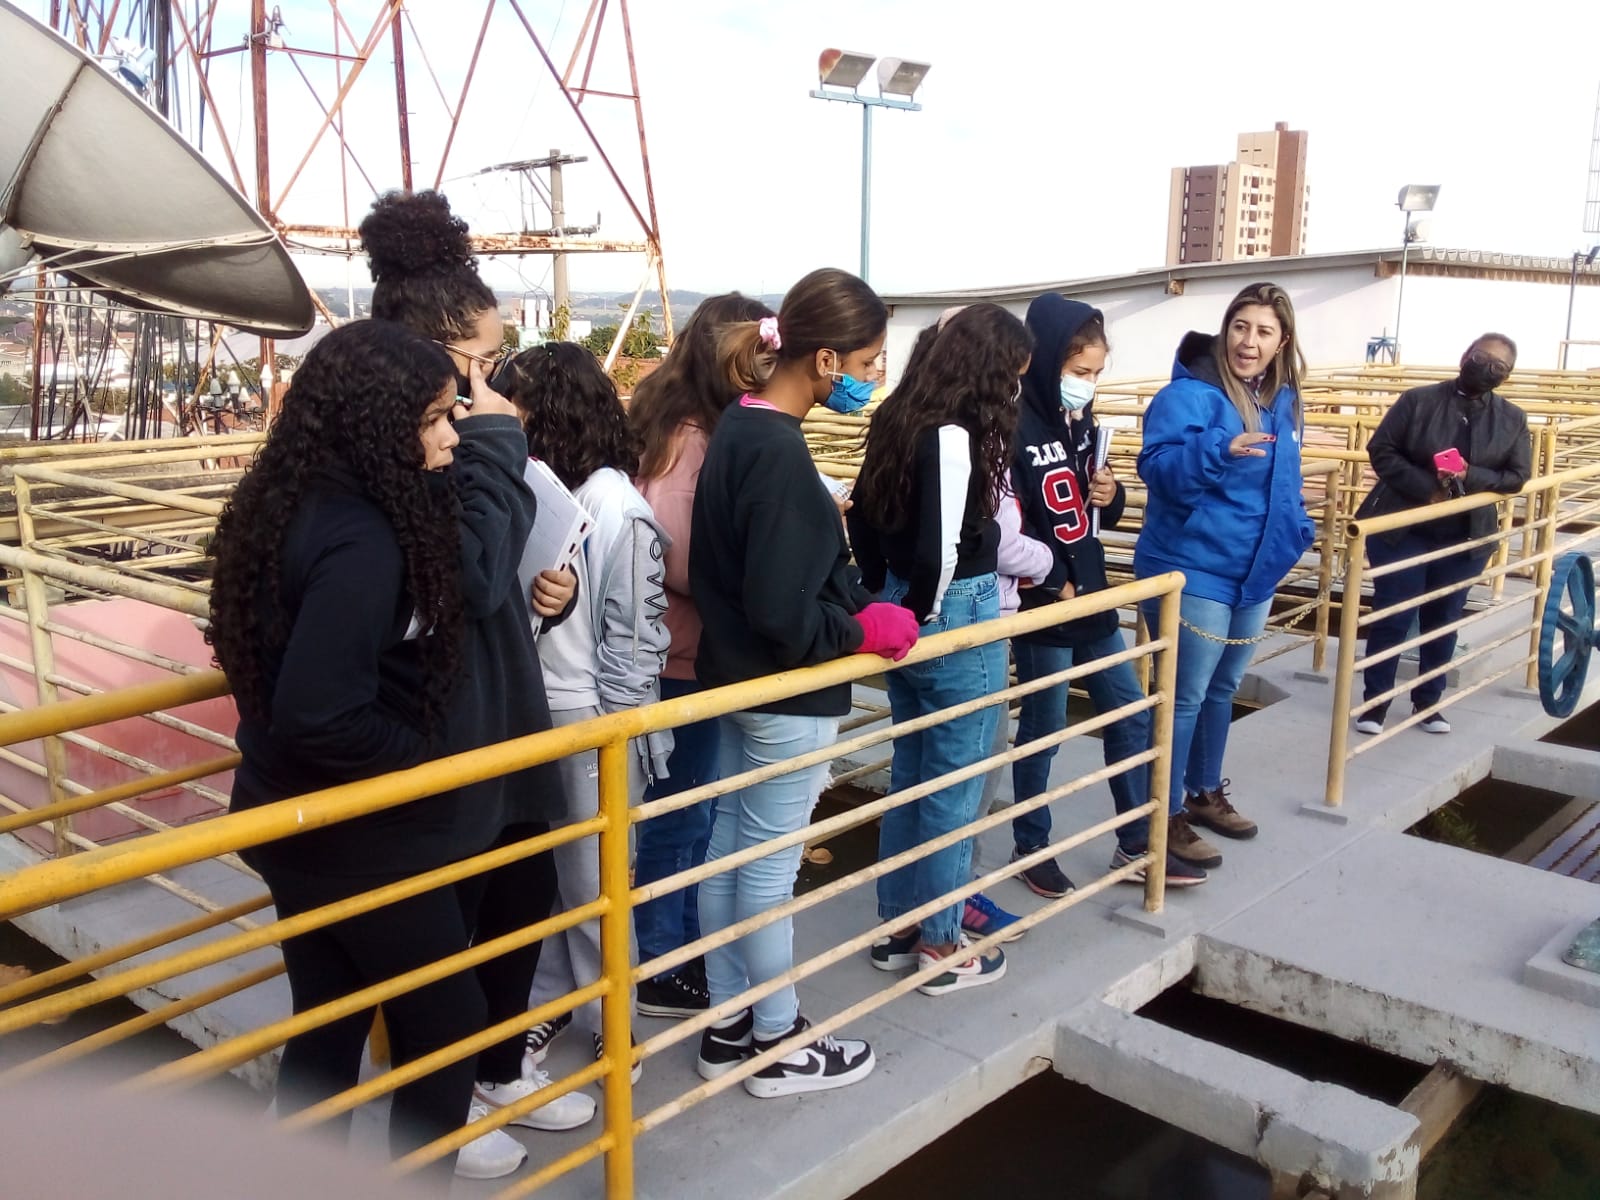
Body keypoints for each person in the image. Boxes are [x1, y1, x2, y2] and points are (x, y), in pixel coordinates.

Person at [206, 320, 531, 1182]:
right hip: (360, 833)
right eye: (433, 420)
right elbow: (320, 712)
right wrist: (427, 759)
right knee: (448, 1020)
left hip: (288, 816)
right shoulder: (362, 539)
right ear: (377, 425)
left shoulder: (294, 496)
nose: (451, 437)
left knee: (331, 1013)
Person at [359, 190, 588, 1139]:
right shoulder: (406, 451)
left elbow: (493, 584)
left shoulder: (460, 438)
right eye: (482, 364)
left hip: (503, 717)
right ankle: (445, 1117)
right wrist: (495, 440)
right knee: (446, 938)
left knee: (518, 898)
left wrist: (548, 597)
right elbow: (468, 577)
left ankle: (496, 1072)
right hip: (445, 740)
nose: (492, 386)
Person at [689, 267, 918, 1096]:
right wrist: (861, 629)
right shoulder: (780, 452)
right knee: (766, 871)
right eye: (867, 362)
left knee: (727, 856)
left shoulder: (739, 426)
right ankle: (779, 1039)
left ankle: (728, 1026)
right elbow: (782, 610)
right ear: (825, 361)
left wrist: (849, 601)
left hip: (739, 686)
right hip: (785, 693)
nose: (872, 378)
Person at [498, 341, 671, 1084]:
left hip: (587, 719)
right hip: (548, 710)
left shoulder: (613, 504)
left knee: (594, 885)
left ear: (548, 411)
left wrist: (623, 745)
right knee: (561, 882)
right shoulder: (551, 489)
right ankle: (557, 1006)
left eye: (515, 402)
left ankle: (614, 1030)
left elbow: (635, 641)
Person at [849, 303, 1030, 994]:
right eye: (1011, 375)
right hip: (951, 612)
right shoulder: (954, 434)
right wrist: (923, 614)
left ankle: (897, 928)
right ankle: (942, 946)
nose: (1014, 390)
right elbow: (943, 550)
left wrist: (882, 595)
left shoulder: (897, 417)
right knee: (956, 785)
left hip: (902, 601)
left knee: (913, 774)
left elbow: (863, 518)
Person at [1008, 295, 1209, 892]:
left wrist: (1111, 493)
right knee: (1043, 730)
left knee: (1129, 715)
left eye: (1096, 374)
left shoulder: (1084, 422)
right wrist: (1052, 581)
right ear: (1048, 361)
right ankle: (1031, 845)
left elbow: (1095, 516)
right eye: (1079, 371)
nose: (1087, 384)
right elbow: (1007, 525)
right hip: (1045, 605)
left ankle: (1135, 841)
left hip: (1093, 596)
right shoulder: (1013, 425)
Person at [627, 293, 777, 1020]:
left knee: (691, 811)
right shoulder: (692, 438)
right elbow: (679, 555)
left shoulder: (677, 423)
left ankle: (682, 948)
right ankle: (659, 962)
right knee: (681, 815)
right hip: (682, 654)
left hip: (683, 650)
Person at [1134, 282, 1316, 863]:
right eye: (1240, 326)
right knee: (1183, 695)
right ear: (1224, 329)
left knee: (1223, 687)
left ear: (1281, 341)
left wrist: (1297, 531)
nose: (1248, 341)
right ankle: (1162, 813)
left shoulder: (1283, 399)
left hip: (1254, 571)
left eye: (1263, 331)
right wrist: (1217, 449)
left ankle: (1204, 790)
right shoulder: (1189, 394)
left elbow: (1286, 480)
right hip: (1193, 566)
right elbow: (1158, 470)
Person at [1353, 334, 1531, 735]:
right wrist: (1425, 488)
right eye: (1481, 358)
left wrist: (1471, 474)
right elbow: (1382, 449)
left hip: (1465, 537)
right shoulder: (1418, 401)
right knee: (1393, 614)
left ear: (1506, 376)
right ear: (1465, 355)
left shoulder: (1511, 419)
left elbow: (1517, 476)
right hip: (1402, 527)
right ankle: (1375, 704)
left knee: (1444, 618)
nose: (1486, 369)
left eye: (1498, 367)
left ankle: (1428, 703)